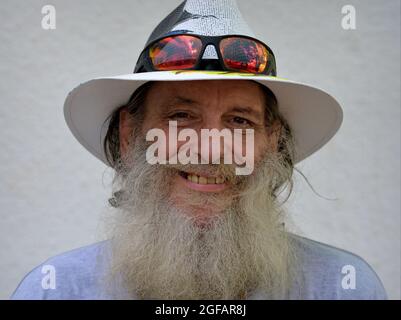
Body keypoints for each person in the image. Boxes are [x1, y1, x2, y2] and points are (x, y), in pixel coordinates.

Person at [11, 0, 387, 300]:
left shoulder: (344, 288)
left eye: (240, 121)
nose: (210, 147)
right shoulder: (54, 290)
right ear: (129, 134)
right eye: (181, 115)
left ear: (273, 143)